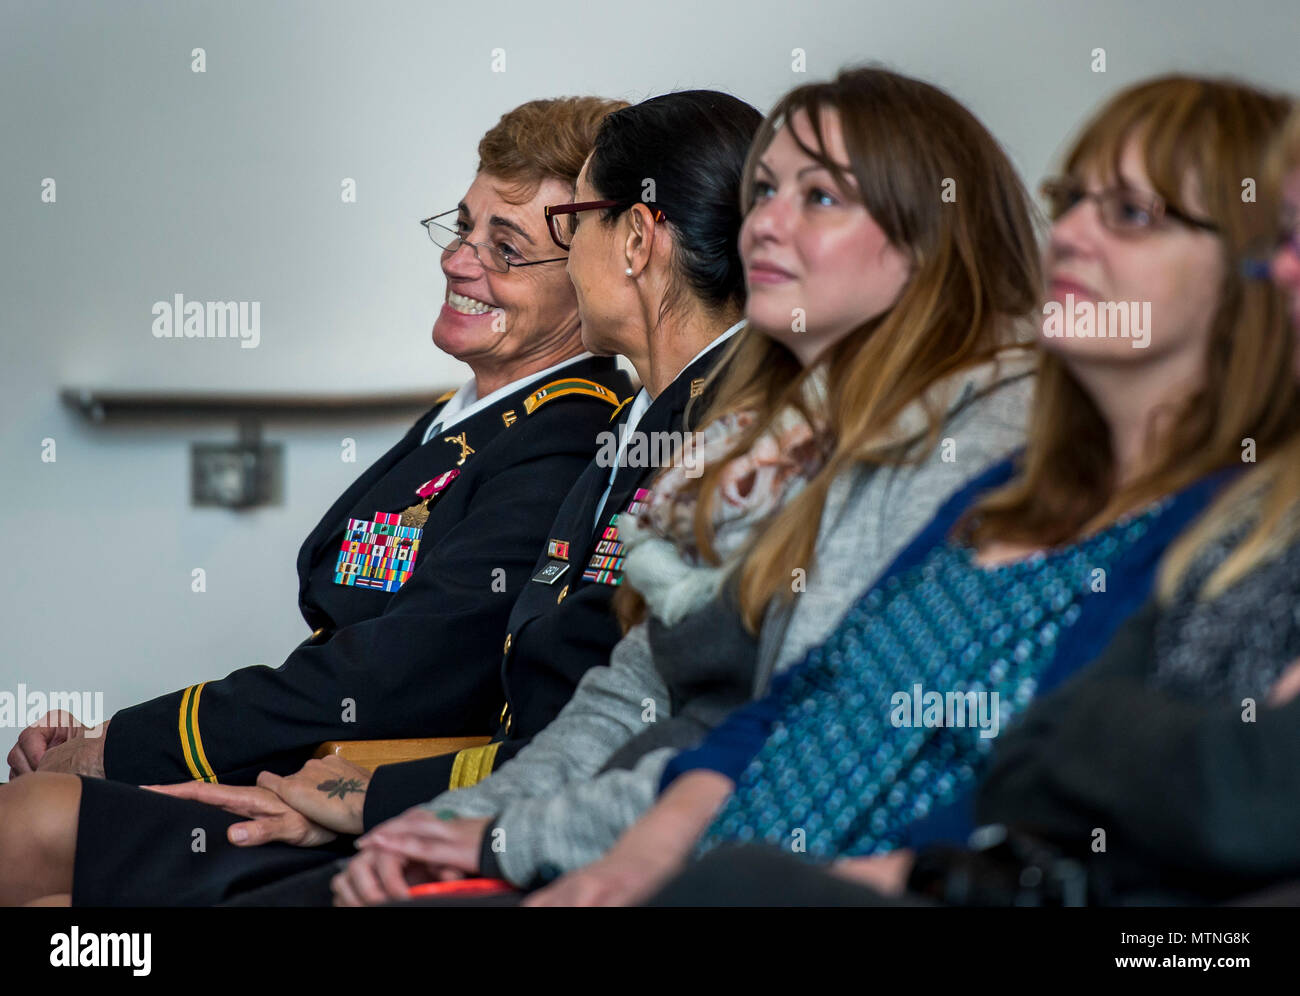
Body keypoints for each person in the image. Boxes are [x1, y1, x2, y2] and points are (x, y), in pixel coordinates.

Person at [522, 73, 1297, 907]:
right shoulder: (1008, 485)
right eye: (1068, 201)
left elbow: (1058, 783)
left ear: (1261, 268)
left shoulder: (1202, 510)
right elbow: (798, 702)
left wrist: (914, 871)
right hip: (727, 858)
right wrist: (615, 855)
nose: (1069, 234)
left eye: (1131, 214)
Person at [0, 89, 762, 906]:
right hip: (429, 790)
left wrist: (361, 797)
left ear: (637, 242)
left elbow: (503, 698)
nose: (460, 259)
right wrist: (350, 796)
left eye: (525, 243)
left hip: (501, 823)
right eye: (465, 229)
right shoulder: (627, 422)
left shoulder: (641, 435)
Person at [327, 64, 1045, 907]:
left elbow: (809, 745)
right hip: (644, 832)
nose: (764, 225)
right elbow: (628, 692)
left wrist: (501, 840)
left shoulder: (972, 435)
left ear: (925, 234)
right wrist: (452, 827)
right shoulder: (769, 436)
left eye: (817, 199)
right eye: (765, 192)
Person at [6, 96, 630, 789]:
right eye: (461, 229)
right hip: (307, 757)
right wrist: (113, 738)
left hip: (368, 791)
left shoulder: (564, 441)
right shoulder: (473, 413)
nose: (458, 262)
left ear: (587, 278)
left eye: (505, 249)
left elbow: (394, 677)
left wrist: (124, 747)